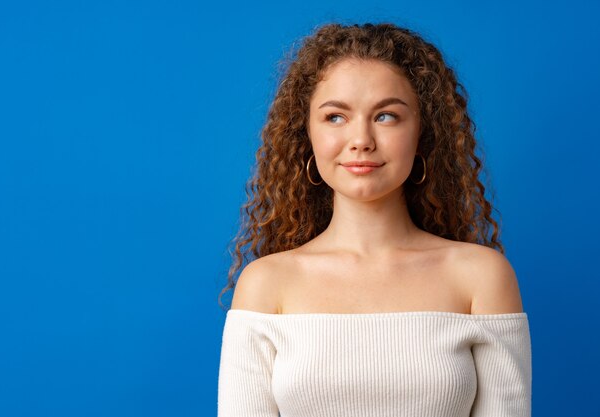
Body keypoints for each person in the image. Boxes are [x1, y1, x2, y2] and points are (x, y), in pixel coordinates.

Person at [216, 22, 532, 417]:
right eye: (335, 117)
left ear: (422, 134)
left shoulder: (480, 277)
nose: (361, 139)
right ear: (306, 135)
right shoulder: (267, 283)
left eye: (386, 116)